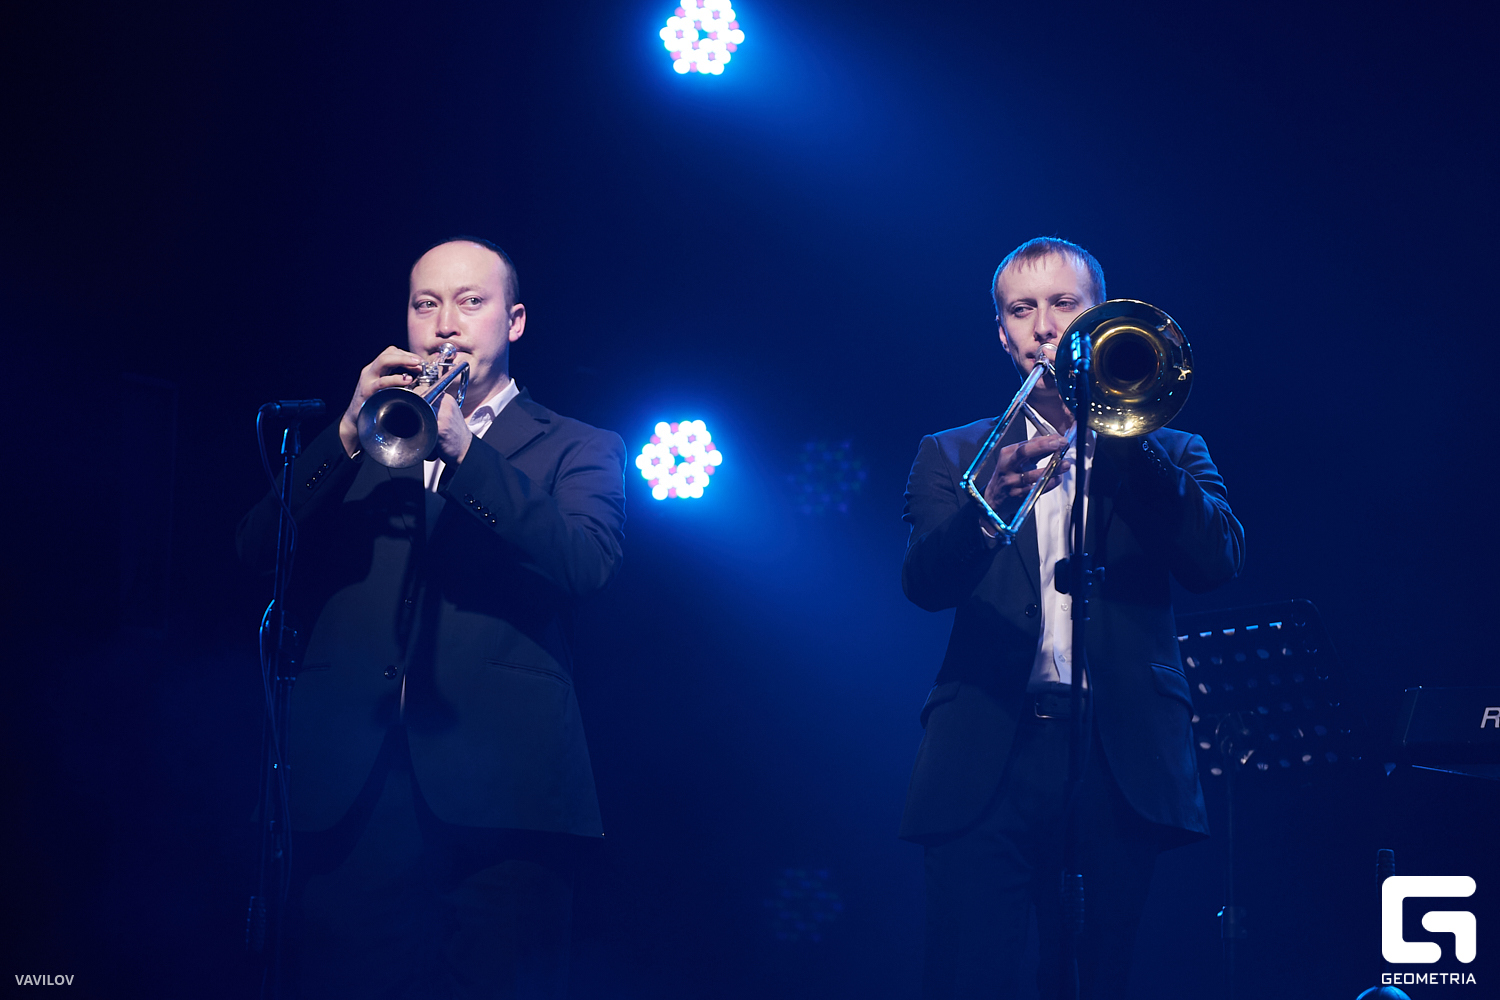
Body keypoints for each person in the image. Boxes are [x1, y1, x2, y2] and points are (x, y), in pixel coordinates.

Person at [237, 237, 626, 999]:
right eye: (426, 304)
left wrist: (465, 451)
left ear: (514, 321)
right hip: (354, 784)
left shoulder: (577, 445)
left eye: (470, 302)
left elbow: (587, 563)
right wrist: (344, 434)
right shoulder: (366, 439)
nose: (445, 324)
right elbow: (255, 548)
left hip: (505, 793)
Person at [898, 237, 1244, 998]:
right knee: (964, 977)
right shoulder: (951, 453)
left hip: (1117, 758)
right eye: (1022, 310)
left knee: (1096, 980)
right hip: (987, 753)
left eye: (1064, 305)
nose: (1045, 327)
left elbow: (1217, 561)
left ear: (1099, 318)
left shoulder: (1172, 447)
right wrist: (986, 509)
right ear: (1002, 334)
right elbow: (923, 584)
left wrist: (1127, 444)